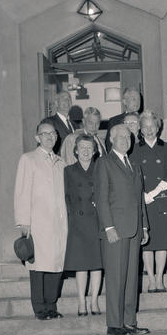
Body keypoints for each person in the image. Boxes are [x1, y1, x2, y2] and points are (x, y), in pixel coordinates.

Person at [94, 124, 150, 335]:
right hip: (115, 230)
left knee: (131, 279)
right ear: (111, 138)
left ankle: (129, 322)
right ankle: (114, 324)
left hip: (134, 229)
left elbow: (139, 199)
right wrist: (108, 227)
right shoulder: (104, 163)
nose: (126, 140)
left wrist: (144, 226)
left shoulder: (134, 164)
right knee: (117, 278)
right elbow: (101, 198)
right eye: (122, 137)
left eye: (129, 137)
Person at [14, 119, 68, 320]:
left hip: (59, 223)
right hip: (37, 223)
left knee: (56, 264)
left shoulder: (61, 162)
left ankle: (51, 305)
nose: (50, 137)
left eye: (53, 133)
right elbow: (21, 192)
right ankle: (40, 308)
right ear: (37, 138)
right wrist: (23, 222)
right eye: (45, 134)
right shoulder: (28, 159)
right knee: (38, 265)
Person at [132, 110, 167, 293]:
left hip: (161, 201)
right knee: (147, 242)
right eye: (145, 126)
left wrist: (158, 190)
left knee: (162, 242)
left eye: (152, 126)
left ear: (158, 127)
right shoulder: (134, 149)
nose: (149, 129)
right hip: (143, 202)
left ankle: (160, 279)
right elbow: (131, 174)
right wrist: (142, 195)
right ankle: (150, 278)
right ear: (140, 129)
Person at [63, 134, 103, 316]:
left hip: (96, 221)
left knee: (96, 264)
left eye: (89, 148)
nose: (86, 151)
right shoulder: (69, 171)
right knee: (81, 265)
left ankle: (94, 301)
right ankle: (81, 302)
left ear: (94, 151)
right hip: (78, 223)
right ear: (76, 150)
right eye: (82, 147)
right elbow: (66, 197)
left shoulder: (100, 169)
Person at [105, 87, 142, 151]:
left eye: (139, 99)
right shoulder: (114, 121)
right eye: (133, 99)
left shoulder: (144, 119)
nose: (137, 102)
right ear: (124, 101)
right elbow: (109, 146)